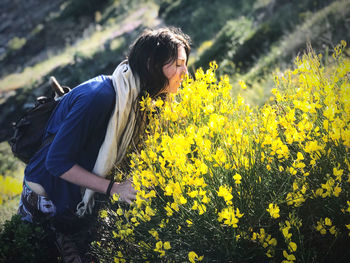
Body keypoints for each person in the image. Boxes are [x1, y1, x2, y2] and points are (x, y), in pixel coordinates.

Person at [17, 27, 191, 262]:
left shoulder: (143, 101)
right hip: (47, 199)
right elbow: (56, 162)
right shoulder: (100, 96)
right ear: (151, 63)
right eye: (179, 64)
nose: (185, 73)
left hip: (80, 199)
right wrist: (115, 188)